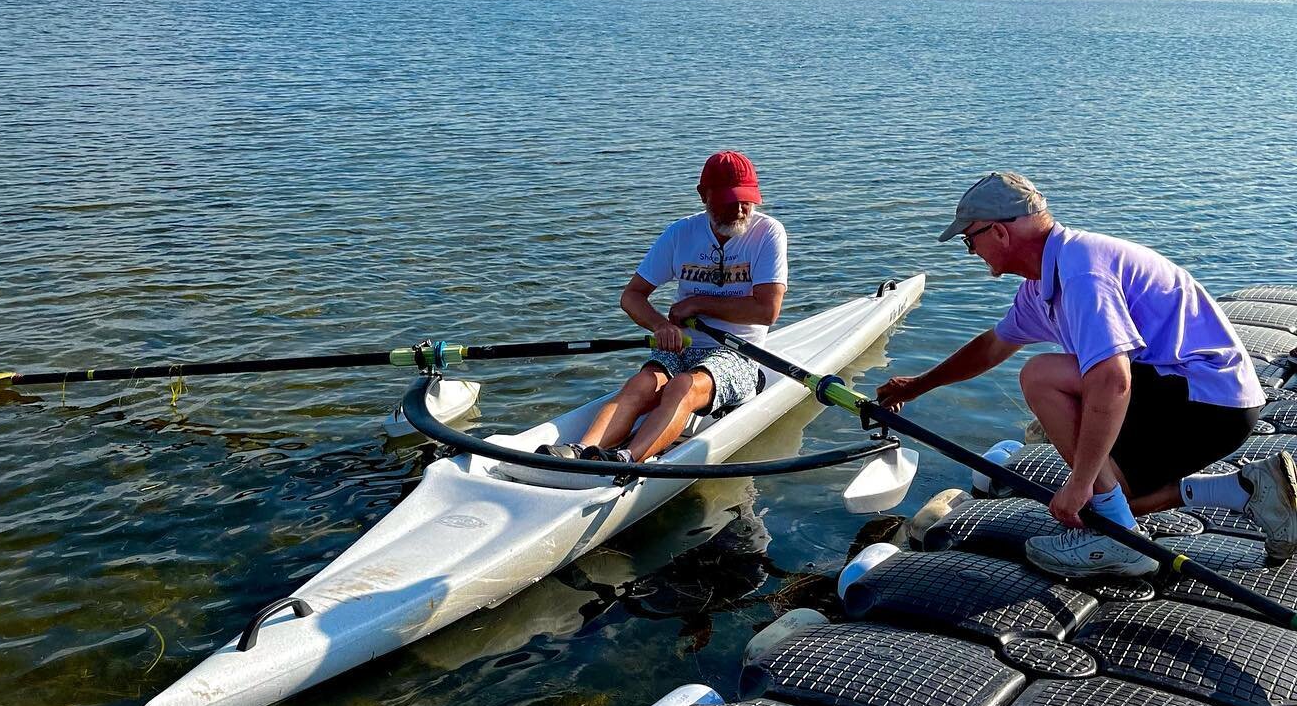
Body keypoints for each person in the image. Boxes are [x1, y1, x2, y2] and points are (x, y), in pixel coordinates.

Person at [876, 170, 1295, 577]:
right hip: (1213, 400)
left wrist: (1080, 480)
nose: (972, 252)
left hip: (1206, 400)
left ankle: (1120, 544)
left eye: (970, 240)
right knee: (1107, 497)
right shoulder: (1050, 278)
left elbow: (1113, 381)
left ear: (999, 233)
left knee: (1042, 376)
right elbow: (992, 346)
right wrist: (917, 386)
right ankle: (1247, 489)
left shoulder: (1082, 274)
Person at [540, 150, 788, 467]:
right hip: (682, 345)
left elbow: (767, 311)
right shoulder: (680, 234)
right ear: (704, 196)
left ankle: (627, 459)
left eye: (746, 200)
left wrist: (697, 303)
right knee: (641, 384)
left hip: (740, 353)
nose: (740, 210)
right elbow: (632, 296)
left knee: (682, 386)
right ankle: (580, 452)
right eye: (729, 201)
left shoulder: (768, 233)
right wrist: (660, 326)